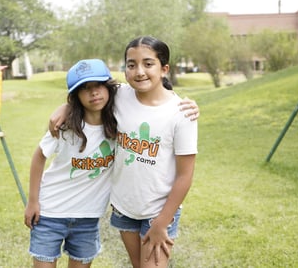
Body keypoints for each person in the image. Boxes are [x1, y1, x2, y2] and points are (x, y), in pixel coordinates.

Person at [49, 36, 198, 268]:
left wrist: (161, 223)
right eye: (131, 64)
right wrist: (66, 106)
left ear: (164, 68)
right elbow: (91, 93)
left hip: (158, 211)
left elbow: (185, 176)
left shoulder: (182, 113)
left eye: (148, 64)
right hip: (125, 207)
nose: (139, 71)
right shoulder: (120, 95)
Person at [24, 58, 118, 268]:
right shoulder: (65, 128)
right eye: (85, 88)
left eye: (98, 85)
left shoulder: (120, 124)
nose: (94, 92)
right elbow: (39, 157)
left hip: (88, 217)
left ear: (109, 87)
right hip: (49, 214)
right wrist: (33, 201)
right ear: (75, 96)